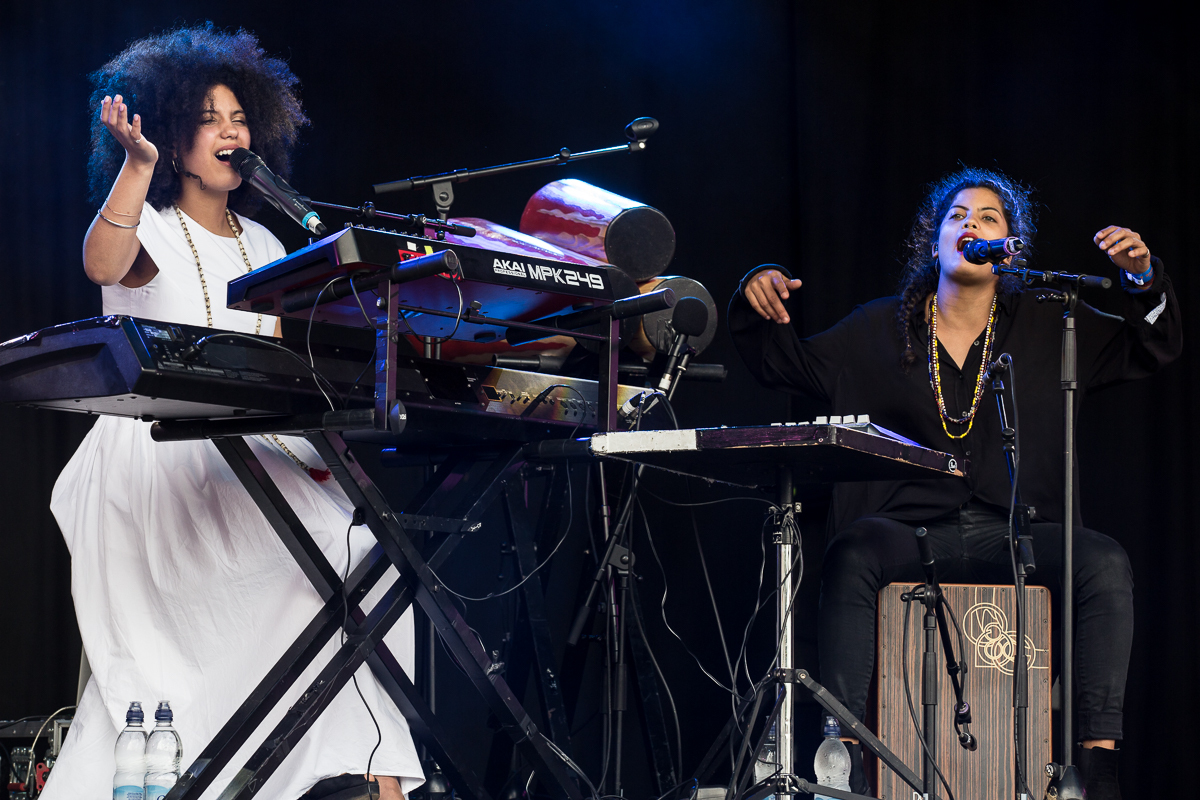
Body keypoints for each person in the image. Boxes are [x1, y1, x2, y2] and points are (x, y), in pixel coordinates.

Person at [46, 25, 422, 800]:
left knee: (373, 556)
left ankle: (375, 777)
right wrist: (134, 168)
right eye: (210, 118)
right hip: (161, 457)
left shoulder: (266, 238)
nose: (229, 132)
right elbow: (102, 265)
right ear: (173, 136)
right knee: (322, 553)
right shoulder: (146, 222)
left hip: (251, 448)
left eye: (240, 119)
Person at [728, 167, 1181, 800]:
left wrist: (1142, 277)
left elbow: (1153, 344)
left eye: (988, 218)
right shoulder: (878, 327)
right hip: (908, 531)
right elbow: (785, 362)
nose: (970, 225)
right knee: (852, 553)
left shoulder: (1053, 323)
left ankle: (1096, 768)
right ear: (934, 242)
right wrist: (753, 295)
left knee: (1103, 563)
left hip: (1013, 530)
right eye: (956, 217)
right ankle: (846, 757)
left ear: (1010, 247)